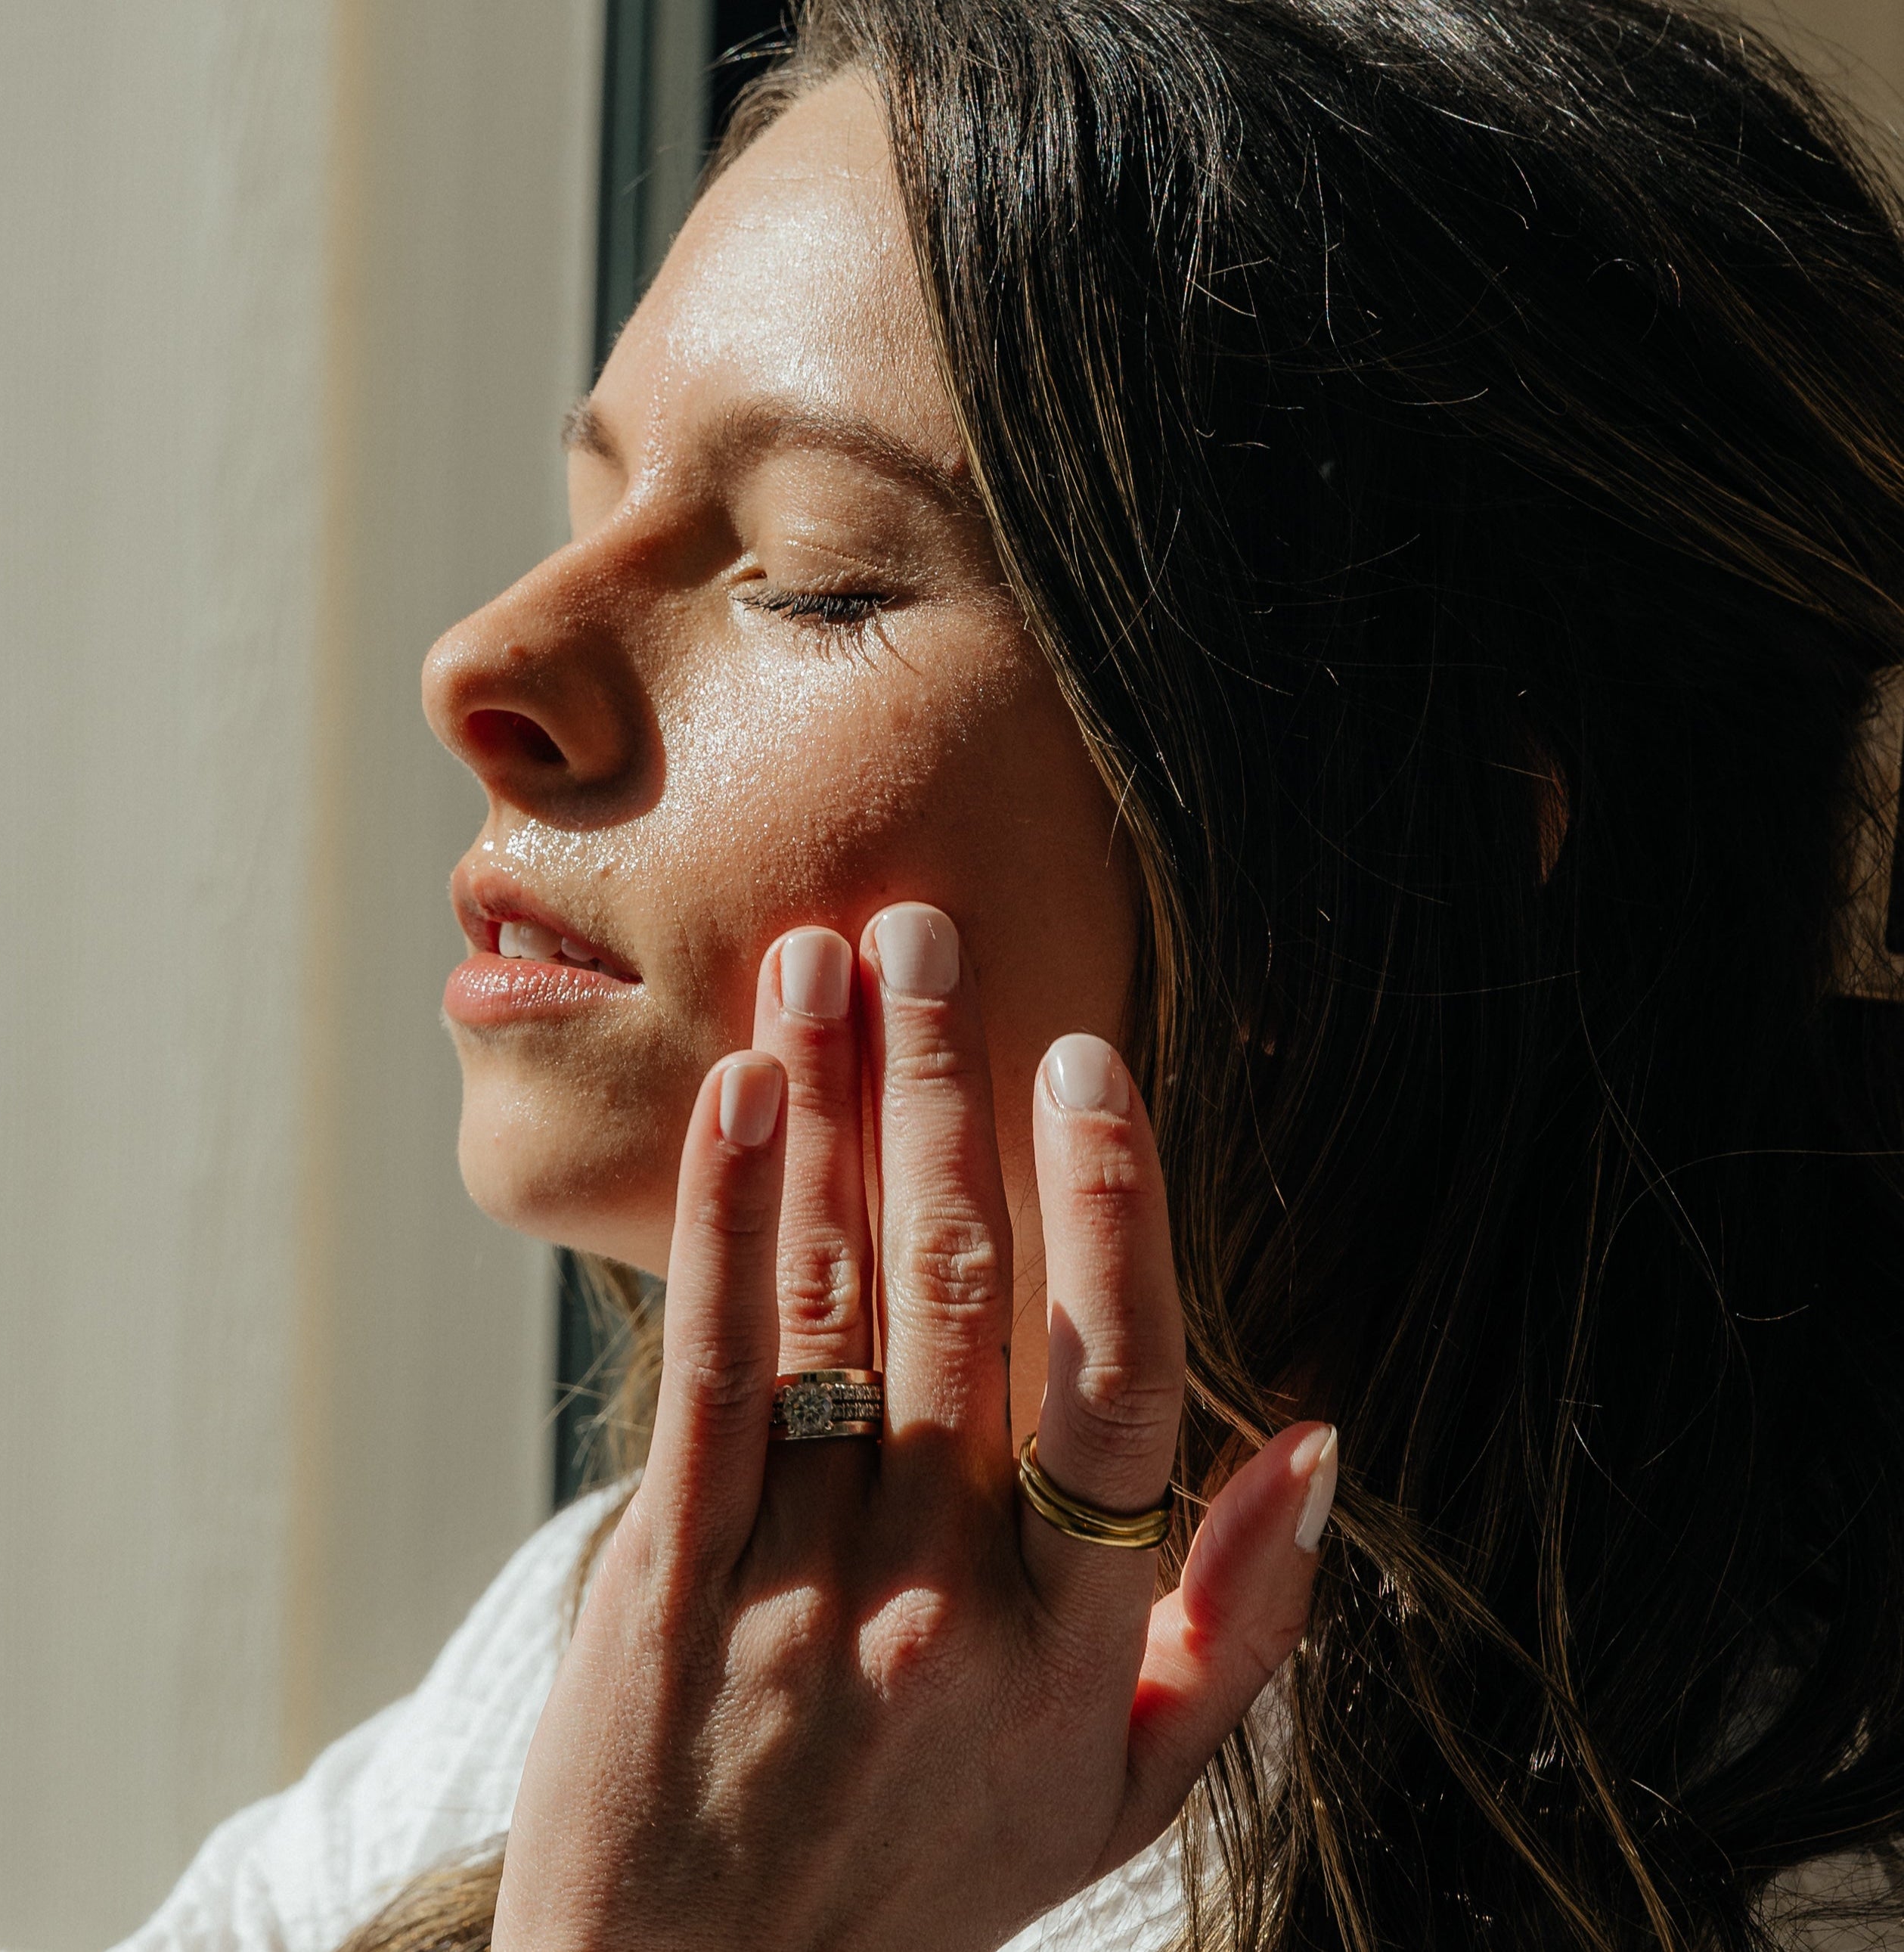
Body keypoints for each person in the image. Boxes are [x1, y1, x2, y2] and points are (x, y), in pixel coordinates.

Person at [116, 0, 1904, 1947]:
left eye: (812, 572)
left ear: (1413, 838)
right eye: (584, 507)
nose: (481, 663)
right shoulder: (620, 1672)